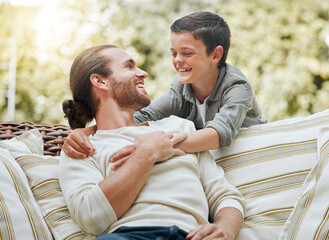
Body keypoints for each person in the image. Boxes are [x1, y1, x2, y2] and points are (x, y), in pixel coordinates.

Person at [60, 45, 245, 240]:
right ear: (100, 81)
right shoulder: (81, 147)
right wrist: (146, 154)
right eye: (129, 67)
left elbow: (225, 195)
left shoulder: (179, 128)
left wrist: (226, 228)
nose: (143, 73)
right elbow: (90, 217)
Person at [62, 11, 267, 160]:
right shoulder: (181, 88)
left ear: (215, 55)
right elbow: (140, 118)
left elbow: (218, 134)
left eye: (187, 53)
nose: (177, 61)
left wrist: (155, 147)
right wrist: (86, 132)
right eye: (174, 53)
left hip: (249, 158)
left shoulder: (237, 86)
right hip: (212, 163)